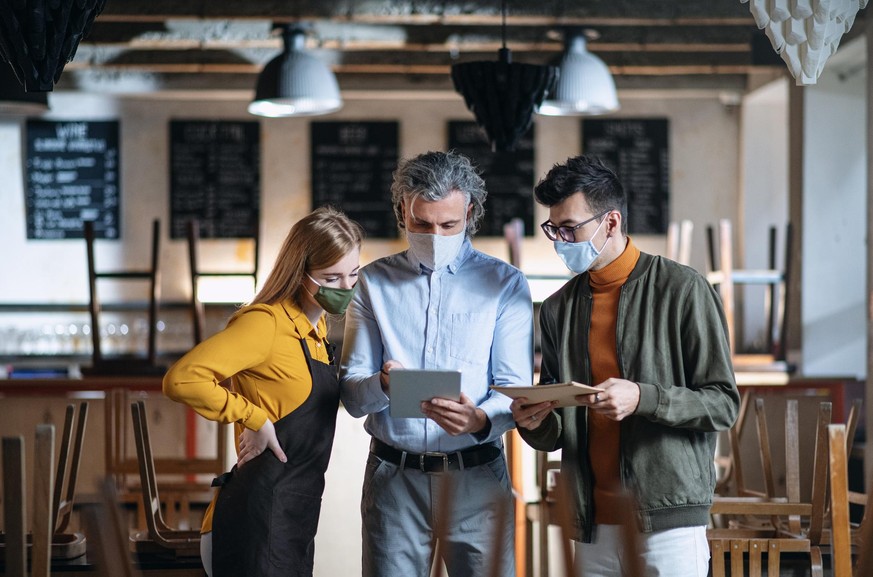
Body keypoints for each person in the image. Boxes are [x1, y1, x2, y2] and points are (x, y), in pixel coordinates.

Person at [511, 155, 739, 577]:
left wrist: (644, 398)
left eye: (569, 229)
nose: (560, 240)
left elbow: (723, 404)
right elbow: (560, 428)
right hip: (593, 521)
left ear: (610, 222)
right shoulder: (559, 308)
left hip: (667, 518)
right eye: (552, 229)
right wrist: (534, 421)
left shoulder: (683, 289)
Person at [339, 150, 533, 577]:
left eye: (449, 224)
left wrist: (480, 419)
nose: (435, 234)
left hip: (478, 477)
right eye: (421, 224)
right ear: (401, 213)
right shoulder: (372, 282)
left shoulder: (505, 284)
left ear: (471, 213)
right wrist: (383, 385)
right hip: (394, 479)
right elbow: (352, 395)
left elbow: (515, 388)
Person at [162, 206, 364, 577]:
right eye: (331, 278)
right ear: (300, 273)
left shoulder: (316, 337)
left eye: (352, 274)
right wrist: (253, 417)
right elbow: (181, 378)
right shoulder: (266, 323)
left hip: (294, 520)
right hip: (253, 521)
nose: (345, 289)